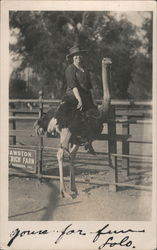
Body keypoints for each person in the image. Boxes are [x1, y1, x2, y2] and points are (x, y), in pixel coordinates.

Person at [50, 45, 97, 154]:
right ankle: (65, 142)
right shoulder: (70, 69)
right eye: (75, 56)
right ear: (72, 58)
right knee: (74, 116)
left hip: (86, 97)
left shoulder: (85, 70)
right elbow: (73, 86)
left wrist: (93, 101)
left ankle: (88, 143)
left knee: (94, 116)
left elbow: (89, 87)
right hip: (72, 97)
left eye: (79, 55)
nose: (78, 57)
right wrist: (79, 100)